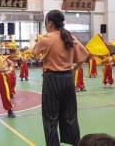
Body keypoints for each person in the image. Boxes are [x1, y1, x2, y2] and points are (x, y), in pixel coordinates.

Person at [32, 10, 88, 146]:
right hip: (68, 78)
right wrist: (73, 70)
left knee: (50, 119)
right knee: (70, 116)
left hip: (52, 79)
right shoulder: (70, 37)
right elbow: (85, 54)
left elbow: (34, 54)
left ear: (50, 23)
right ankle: (76, 143)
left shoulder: (46, 38)